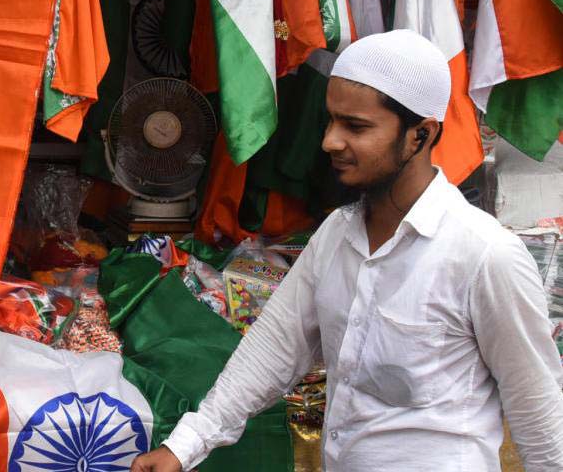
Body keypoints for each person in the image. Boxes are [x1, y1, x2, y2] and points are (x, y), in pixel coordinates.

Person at [131, 30, 563, 471]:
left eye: (355, 127)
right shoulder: (336, 234)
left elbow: (539, 414)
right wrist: (184, 446)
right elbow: (274, 348)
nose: (330, 141)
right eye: (331, 120)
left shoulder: (484, 255)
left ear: (421, 135)